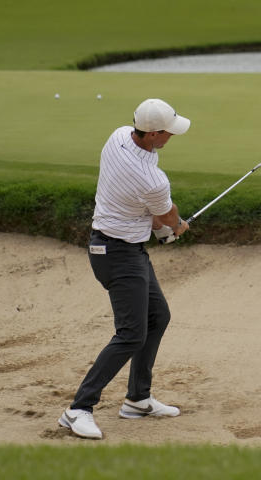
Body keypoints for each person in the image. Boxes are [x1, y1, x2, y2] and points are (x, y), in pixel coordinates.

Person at [58, 98, 191, 440]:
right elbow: (164, 214)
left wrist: (162, 224)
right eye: (167, 133)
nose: (171, 137)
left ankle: (137, 399)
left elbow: (154, 214)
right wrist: (175, 226)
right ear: (151, 134)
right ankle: (78, 409)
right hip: (118, 254)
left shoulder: (118, 136)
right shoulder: (153, 180)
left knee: (157, 317)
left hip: (118, 247)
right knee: (131, 333)